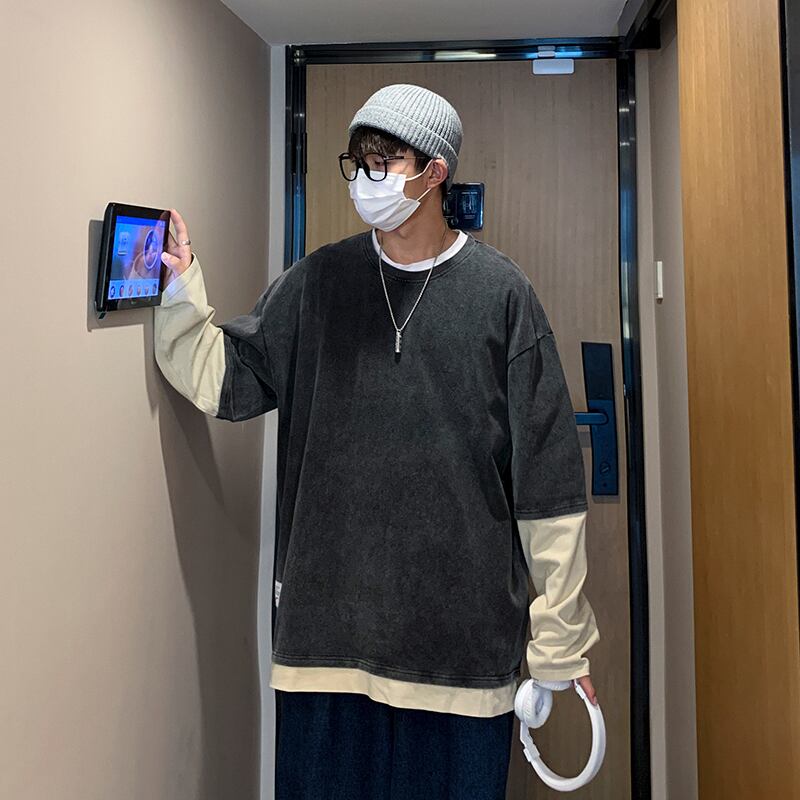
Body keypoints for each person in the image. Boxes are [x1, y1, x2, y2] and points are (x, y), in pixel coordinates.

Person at [154, 83, 600, 800]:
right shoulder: (320, 282)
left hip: (459, 661)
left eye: (385, 161)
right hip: (327, 650)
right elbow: (230, 380)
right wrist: (179, 293)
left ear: (435, 172)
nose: (366, 178)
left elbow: (548, 487)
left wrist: (560, 644)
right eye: (358, 161)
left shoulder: (501, 296)